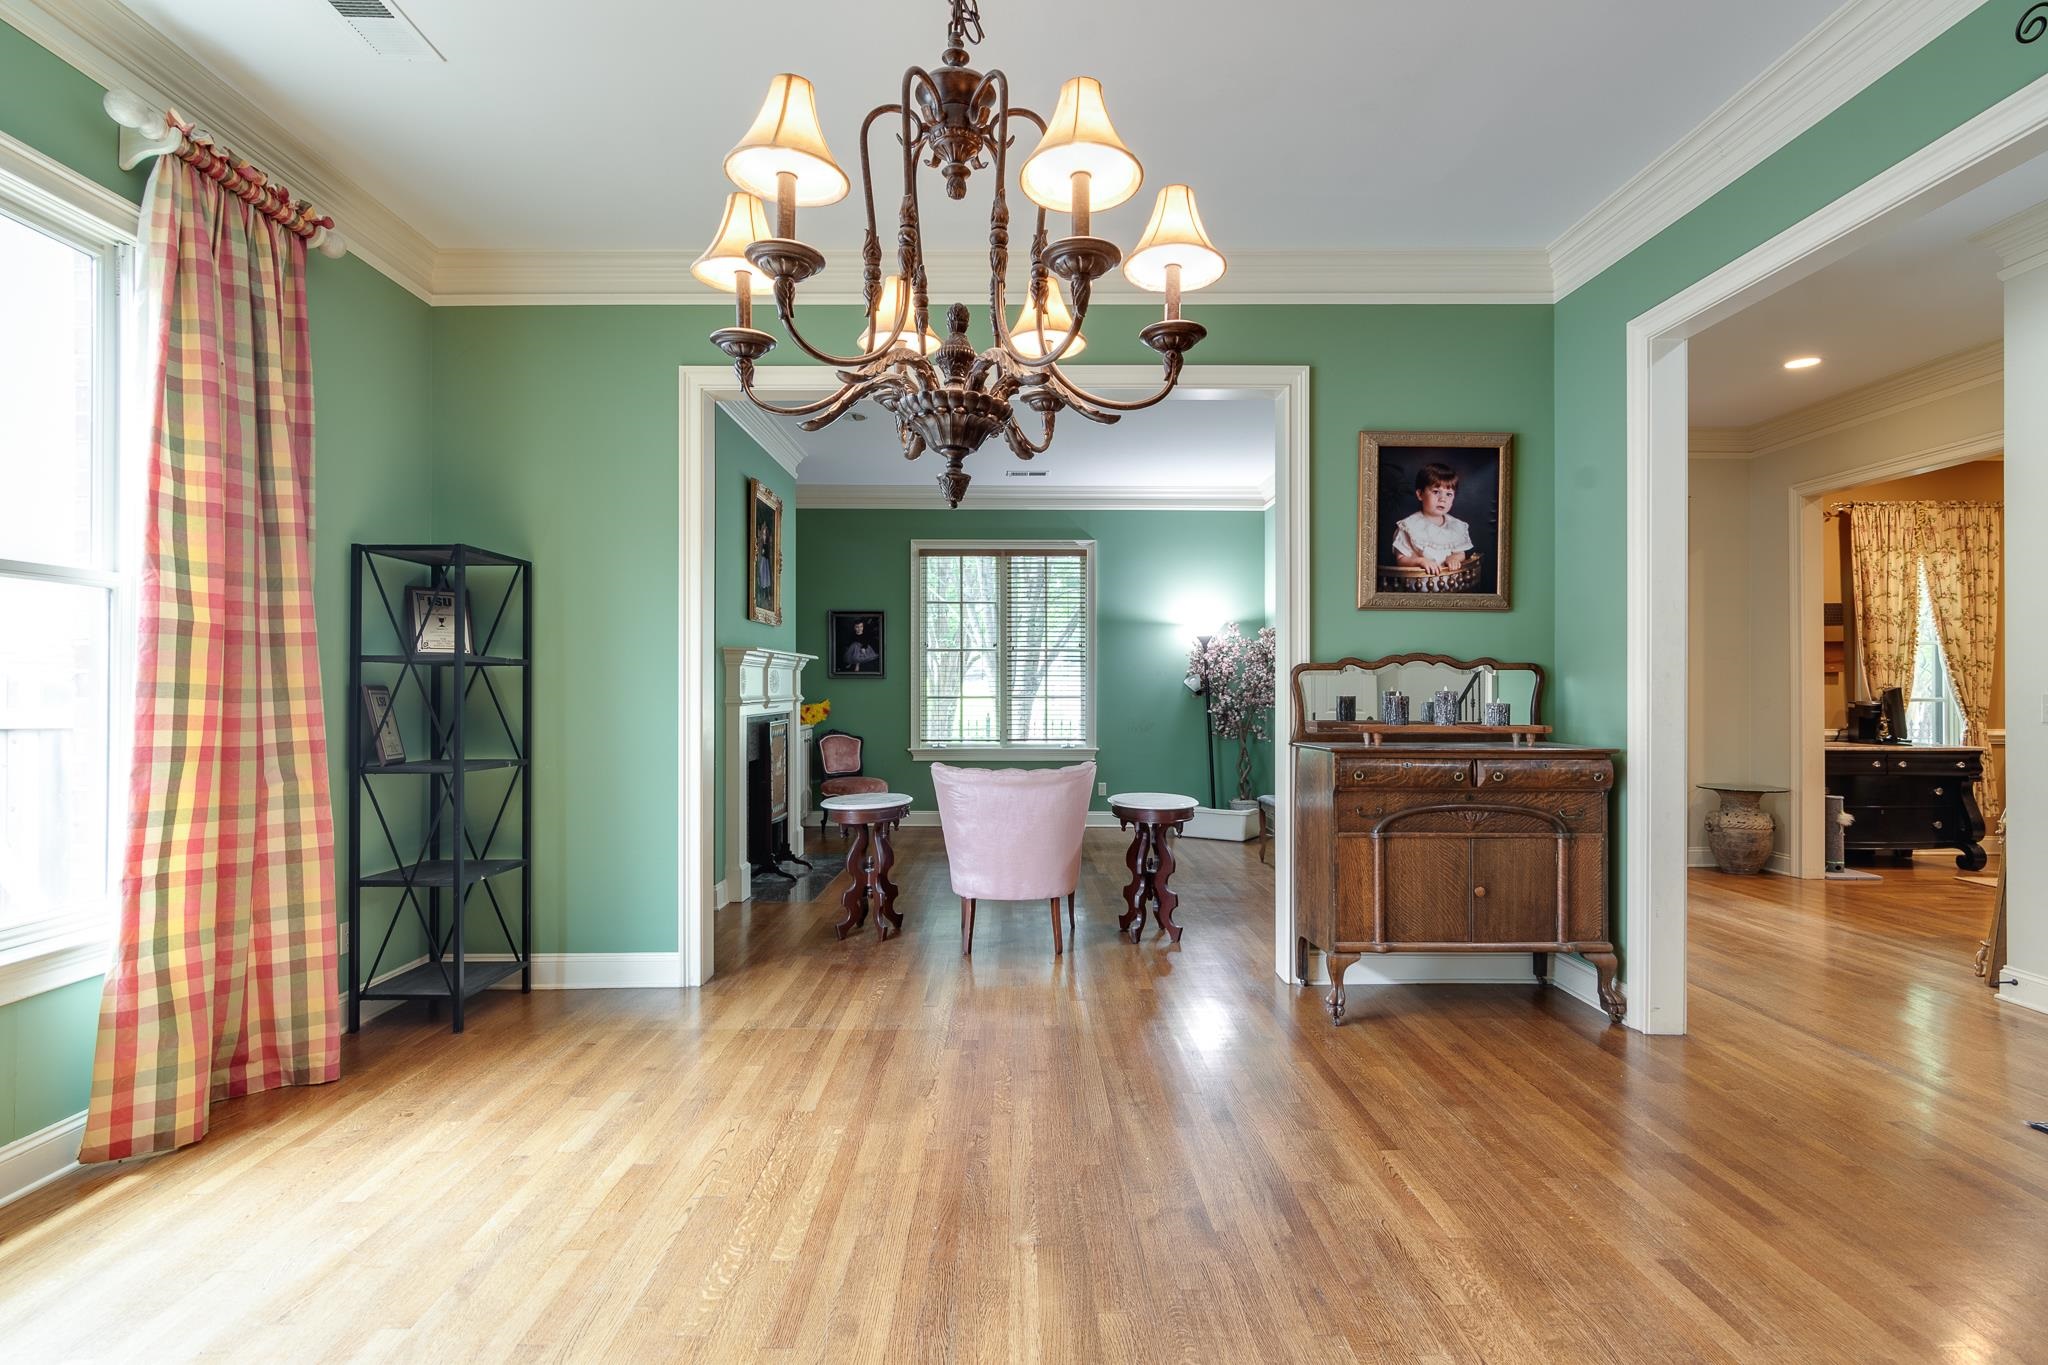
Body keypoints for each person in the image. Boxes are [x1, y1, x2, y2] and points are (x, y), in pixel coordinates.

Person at [1391, 461, 1473, 576]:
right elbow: (1401, 559)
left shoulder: (1456, 526)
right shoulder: (1409, 526)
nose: (1442, 499)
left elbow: (1460, 553)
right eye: (1436, 492)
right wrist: (1420, 561)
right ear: (1420, 494)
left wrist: (1454, 558)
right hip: (1419, 586)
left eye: (1448, 494)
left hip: (1448, 585)